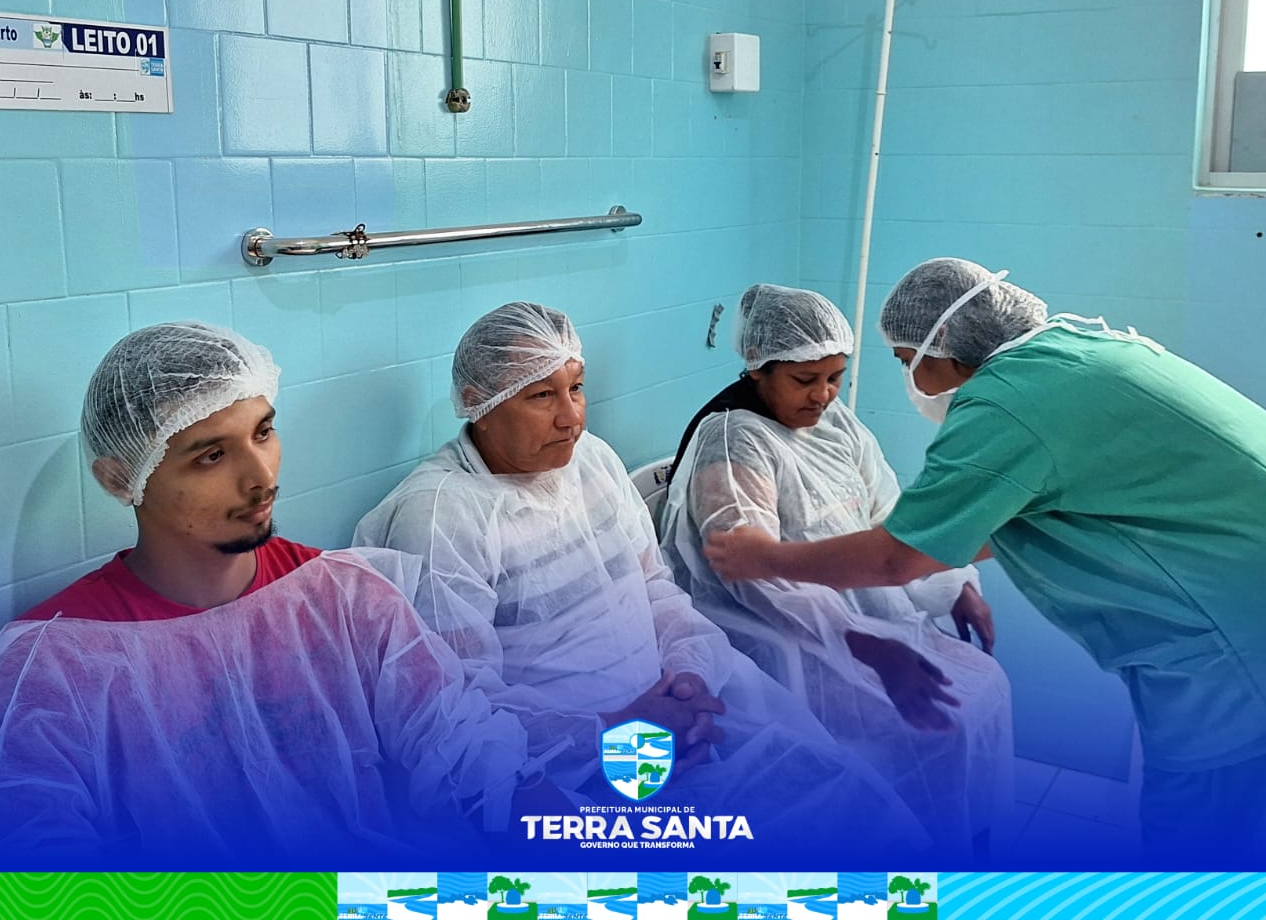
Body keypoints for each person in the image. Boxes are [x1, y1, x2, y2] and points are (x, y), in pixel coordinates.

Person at [704, 259, 1266, 868]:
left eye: (906, 362)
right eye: (808, 379)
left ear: (942, 349)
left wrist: (766, 557)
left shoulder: (1006, 404)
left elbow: (902, 551)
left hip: (1248, 640)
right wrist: (940, 570)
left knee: (1202, 851)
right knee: (1254, 834)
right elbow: (1016, 516)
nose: (906, 384)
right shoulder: (1079, 351)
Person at [0, 322, 546, 869]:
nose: (261, 476)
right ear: (121, 478)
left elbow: (472, 759)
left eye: (263, 432)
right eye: (211, 455)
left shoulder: (344, 597)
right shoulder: (56, 665)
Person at [352, 301, 929, 861]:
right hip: (560, 767)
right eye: (541, 396)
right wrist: (614, 731)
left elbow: (654, 587)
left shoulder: (591, 461)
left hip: (671, 716)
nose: (571, 417)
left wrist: (689, 682)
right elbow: (453, 704)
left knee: (852, 800)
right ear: (480, 402)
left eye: (576, 388)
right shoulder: (443, 514)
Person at [660, 284, 1015, 856]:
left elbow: (890, 512)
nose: (823, 395)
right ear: (758, 367)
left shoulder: (834, 423)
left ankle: (964, 853)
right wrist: (866, 645)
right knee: (937, 725)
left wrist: (953, 586)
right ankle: (915, 861)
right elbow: (756, 579)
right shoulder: (733, 441)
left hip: (870, 618)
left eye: (836, 377)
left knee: (985, 687)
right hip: (792, 642)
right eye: (805, 379)